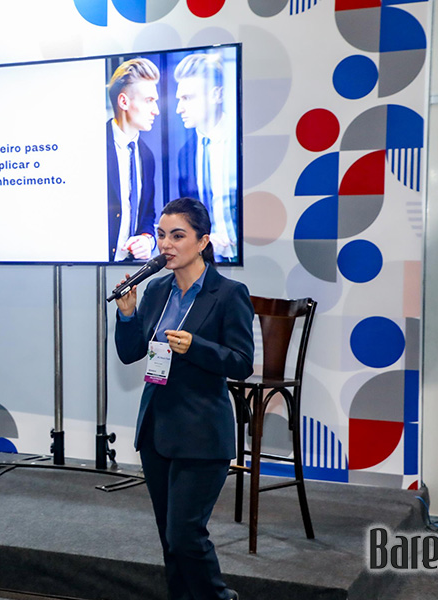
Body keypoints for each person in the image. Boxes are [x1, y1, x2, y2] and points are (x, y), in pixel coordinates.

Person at [114, 197, 253, 600]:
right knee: (169, 538)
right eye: (161, 235)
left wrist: (196, 346)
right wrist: (127, 315)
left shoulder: (228, 293)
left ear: (203, 241)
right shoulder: (157, 289)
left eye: (178, 236)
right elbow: (130, 352)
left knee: (185, 534)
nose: (166, 245)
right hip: (157, 427)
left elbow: (242, 363)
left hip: (201, 431)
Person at [173, 53, 239, 263]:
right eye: (179, 99)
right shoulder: (186, 153)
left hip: (255, 256)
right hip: (208, 264)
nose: (179, 108)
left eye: (187, 98)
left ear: (216, 95)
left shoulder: (239, 141)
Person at [106, 57, 160, 262]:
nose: (156, 110)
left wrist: (147, 240)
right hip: (91, 266)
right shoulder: (93, 147)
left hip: (130, 269)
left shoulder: (147, 155)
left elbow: (148, 215)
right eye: (149, 100)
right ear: (124, 102)